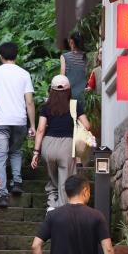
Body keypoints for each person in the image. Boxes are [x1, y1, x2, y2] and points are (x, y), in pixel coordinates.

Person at [0, 42, 35, 209]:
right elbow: (29, 102)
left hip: (0, 121)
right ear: (16, 56)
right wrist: (32, 125)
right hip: (19, 120)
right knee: (16, 151)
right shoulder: (24, 74)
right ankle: (17, 182)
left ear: (0, 56)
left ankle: (2, 194)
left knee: (0, 156)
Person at [32, 75, 91, 211]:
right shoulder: (75, 105)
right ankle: (61, 210)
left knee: (52, 179)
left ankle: (52, 205)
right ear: (69, 89)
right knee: (65, 180)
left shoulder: (46, 106)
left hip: (48, 146)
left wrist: (36, 152)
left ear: (51, 90)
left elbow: (40, 130)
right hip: (67, 146)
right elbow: (87, 126)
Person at [60, 31, 88, 109]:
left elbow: (62, 76)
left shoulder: (64, 56)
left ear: (72, 42)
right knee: (82, 117)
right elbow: (85, 74)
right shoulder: (85, 56)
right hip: (83, 95)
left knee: (72, 117)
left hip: (69, 94)